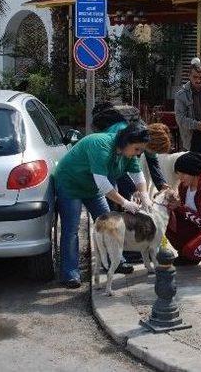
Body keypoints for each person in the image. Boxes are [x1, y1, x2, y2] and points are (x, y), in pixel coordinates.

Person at [53, 122, 150, 288]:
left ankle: (116, 262)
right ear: (126, 142)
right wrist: (126, 203)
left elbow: (138, 176)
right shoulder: (101, 145)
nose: (138, 153)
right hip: (70, 184)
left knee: (110, 224)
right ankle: (69, 273)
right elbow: (103, 184)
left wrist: (145, 195)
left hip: (92, 188)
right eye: (137, 149)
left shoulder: (129, 155)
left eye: (141, 150)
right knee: (71, 229)